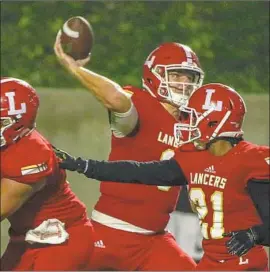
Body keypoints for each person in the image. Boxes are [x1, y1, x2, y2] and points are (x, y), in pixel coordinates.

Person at [54, 83, 269, 271]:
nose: (185, 122)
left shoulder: (252, 159)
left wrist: (254, 234)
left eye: (192, 116)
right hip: (211, 264)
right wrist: (83, 165)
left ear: (215, 122)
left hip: (246, 265)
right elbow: (138, 172)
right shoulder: (194, 159)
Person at [54, 33, 205, 270]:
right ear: (153, 75)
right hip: (109, 232)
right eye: (175, 75)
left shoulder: (194, 123)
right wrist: (75, 69)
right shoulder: (141, 107)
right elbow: (116, 99)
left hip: (154, 240)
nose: (183, 83)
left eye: (189, 76)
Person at [0, 77, 94, 271]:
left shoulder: (31, 153)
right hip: (24, 238)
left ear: (18, 123)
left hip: (60, 238)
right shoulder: (10, 144)